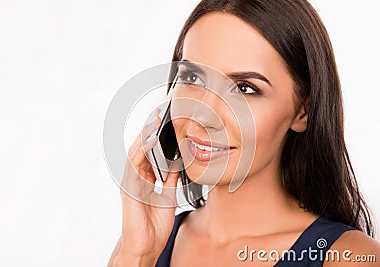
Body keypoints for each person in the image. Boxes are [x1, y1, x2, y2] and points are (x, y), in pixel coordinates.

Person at [108, 0, 380, 266]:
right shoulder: (144, 245)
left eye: (244, 88)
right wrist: (137, 256)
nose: (202, 116)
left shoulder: (351, 259)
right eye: (192, 78)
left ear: (303, 112)